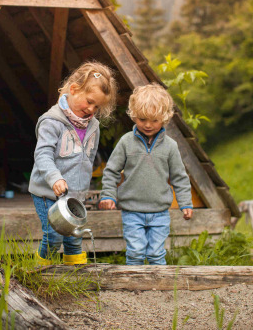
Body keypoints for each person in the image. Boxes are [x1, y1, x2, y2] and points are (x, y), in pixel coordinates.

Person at [29, 61, 117, 266]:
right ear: (74, 89)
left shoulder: (93, 125)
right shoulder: (52, 121)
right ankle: (40, 273)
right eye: (89, 101)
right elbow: (42, 155)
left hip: (75, 194)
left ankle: (75, 274)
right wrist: (55, 178)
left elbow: (89, 156)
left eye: (97, 106)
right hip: (48, 192)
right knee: (53, 235)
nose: (92, 109)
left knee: (74, 236)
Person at [99, 83, 193, 266]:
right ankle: (135, 288)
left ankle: (158, 288)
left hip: (159, 212)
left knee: (157, 254)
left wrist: (185, 203)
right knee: (135, 252)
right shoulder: (126, 142)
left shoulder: (170, 146)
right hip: (132, 211)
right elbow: (111, 170)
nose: (148, 125)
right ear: (133, 115)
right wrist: (109, 195)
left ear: (165, 119)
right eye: (142, 119)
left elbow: (179, 177)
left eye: (154, 120)